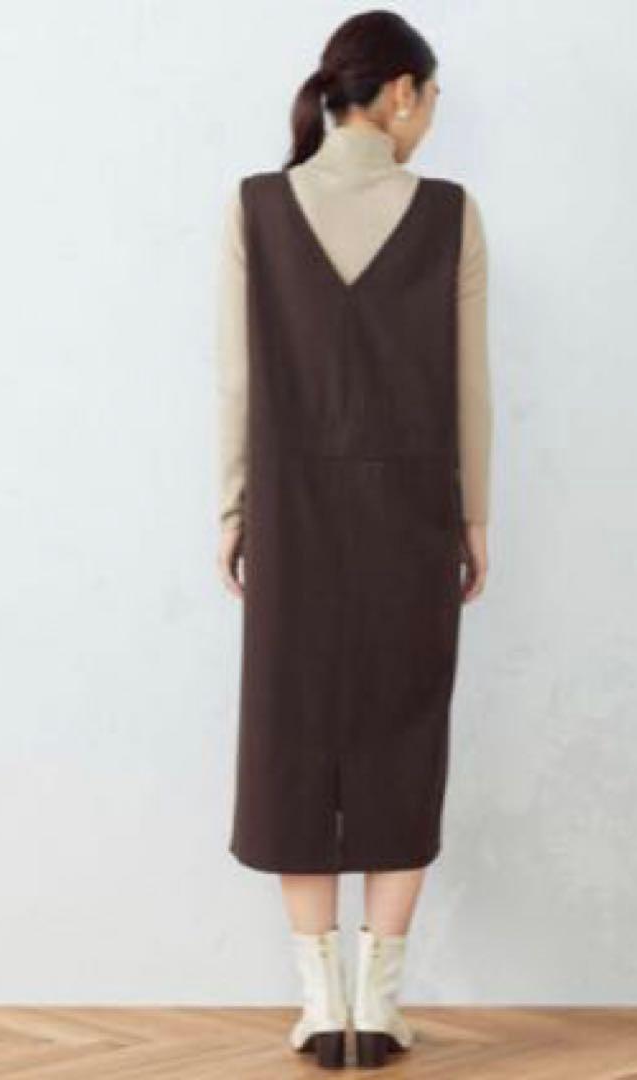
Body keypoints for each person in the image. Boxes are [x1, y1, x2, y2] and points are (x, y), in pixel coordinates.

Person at [214, 10, 491, 1070]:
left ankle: (318, 1005)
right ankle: (378, 1007)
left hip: (289, 509)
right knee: (402, 732)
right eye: (432, 98)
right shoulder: (452, 214)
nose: (431, 119)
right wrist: (474, 520)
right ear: (402, 93)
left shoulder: (255, 206)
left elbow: (236, 380)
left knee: (290, 735)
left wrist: (234, 510)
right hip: (414, 510)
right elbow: (472, 389)